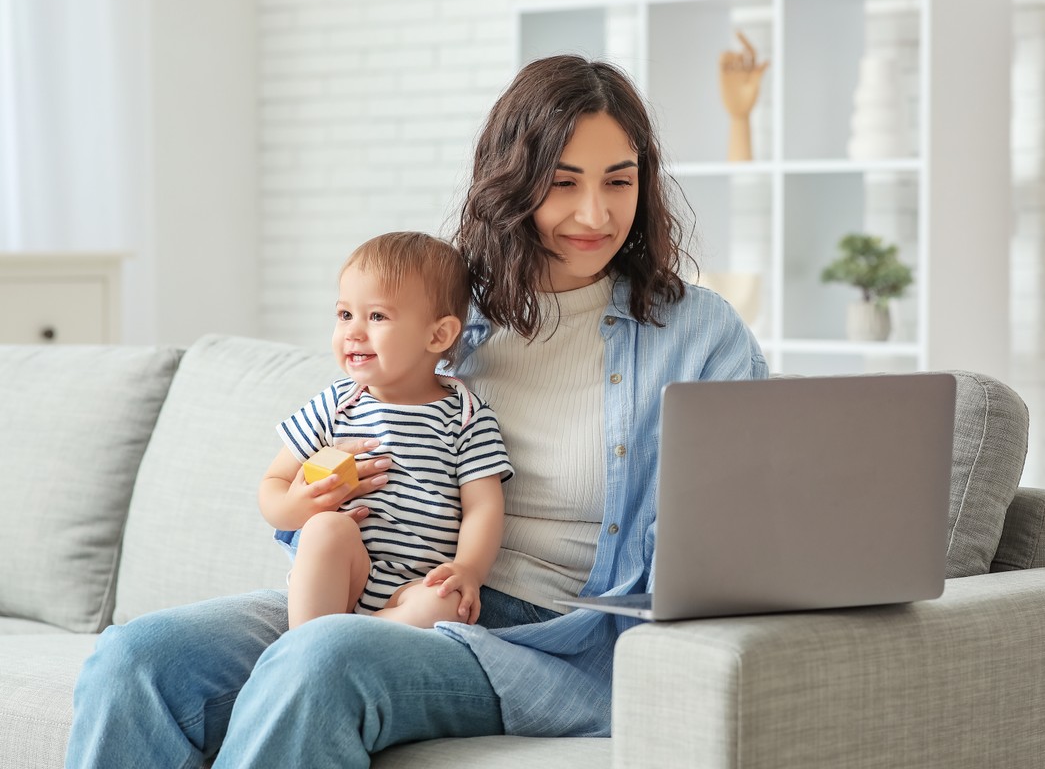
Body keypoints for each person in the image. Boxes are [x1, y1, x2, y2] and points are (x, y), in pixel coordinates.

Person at [67, 55, 767, 767]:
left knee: (321, 663)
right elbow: (341, 432)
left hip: (553, 639)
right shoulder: (447, 314)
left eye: (619, 180)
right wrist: (319, 500)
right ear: (515, 183)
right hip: (384, 591)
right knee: (136, 658)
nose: (596, 214)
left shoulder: (698, 334)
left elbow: (755, 515)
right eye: (563, 183)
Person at [263, 231, 511, 630]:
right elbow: (274, 483)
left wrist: (468, 568)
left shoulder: (466, 416)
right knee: (327, 528)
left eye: (376, 316)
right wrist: (300, 507)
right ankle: (308, 645)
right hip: (344, 575)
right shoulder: (337, 403)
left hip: (413, 587)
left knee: (446, 605)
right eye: (345, 315)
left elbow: (483, 507)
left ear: (438, 335)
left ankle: (354, 639)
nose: (353, 332)